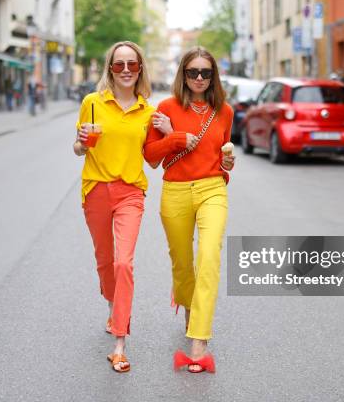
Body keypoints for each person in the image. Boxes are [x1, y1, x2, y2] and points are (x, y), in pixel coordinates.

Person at [144, 46, 235, 374]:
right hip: (176, 192)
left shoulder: (224, 111)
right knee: (182, 264)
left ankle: (199, 342)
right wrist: (176, 137)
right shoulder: (166, 108)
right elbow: (152, 158)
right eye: (192, 72)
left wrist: (228, 162)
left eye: (205, 73)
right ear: (183, 74)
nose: (199, 78)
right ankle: (188, 306)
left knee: (209, 258)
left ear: (213, 77)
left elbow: (222, 157)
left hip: (213, 190)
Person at [72, 41, 154, 373]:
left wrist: (171, 136)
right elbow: (78, 150)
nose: (124, 70)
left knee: (124, 263)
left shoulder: (148, 111)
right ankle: (112, 306)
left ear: (139, 69)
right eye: (118, 64)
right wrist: (81, 141)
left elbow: (154, 156)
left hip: (130, 193)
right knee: (105, 261)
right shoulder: (92, 103)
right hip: (96, 190)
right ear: (110, 68)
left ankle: (120, 343)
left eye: (131, 65)